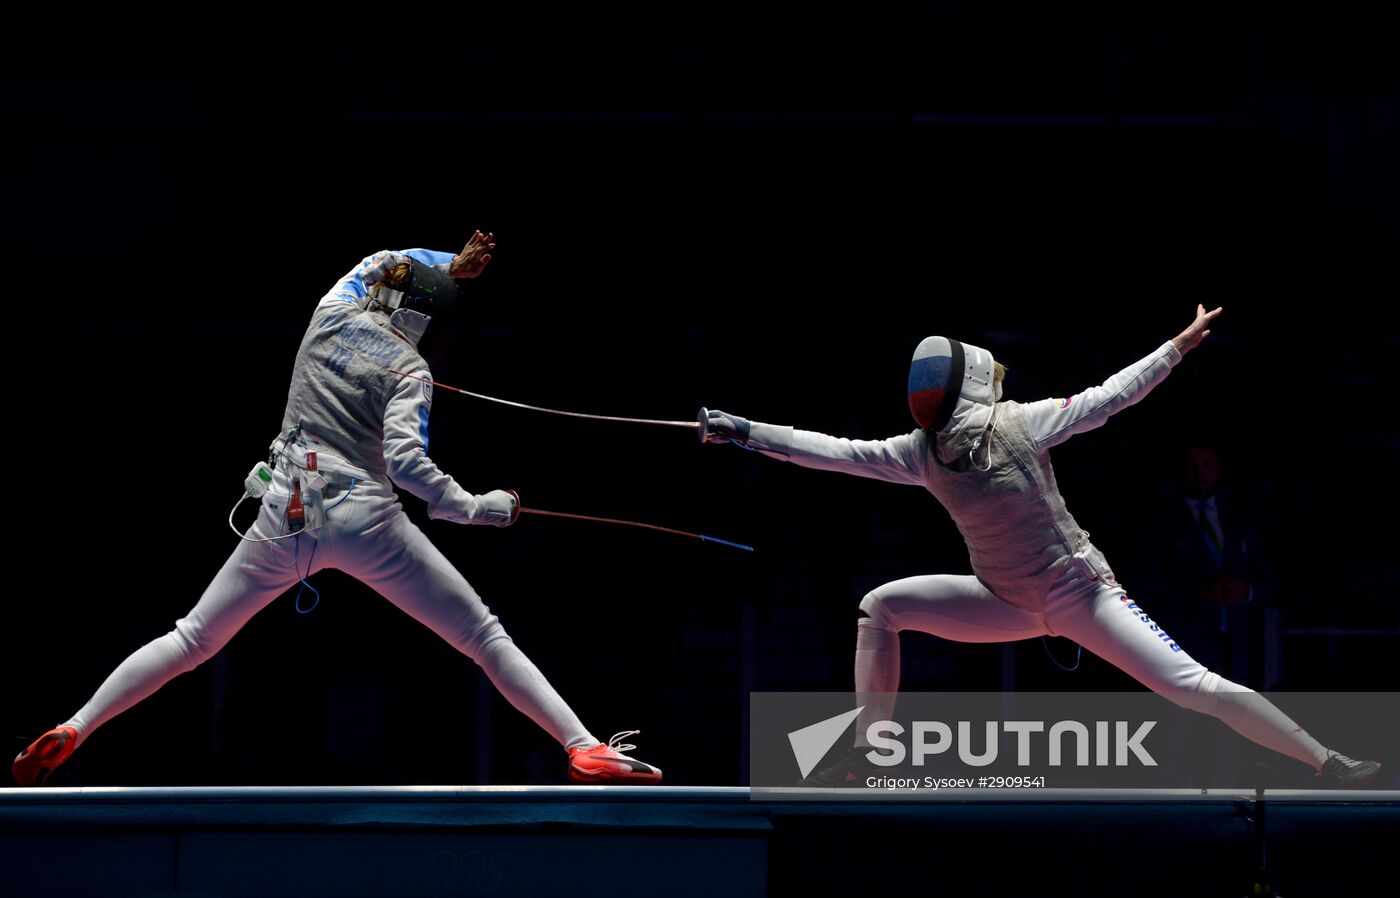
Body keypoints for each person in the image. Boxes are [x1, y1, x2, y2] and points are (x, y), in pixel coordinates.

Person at [13, 232, 661, 787]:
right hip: (365, 522)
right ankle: (583, 746)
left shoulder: (329, 314)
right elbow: (408, 467)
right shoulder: (409, 369)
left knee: (191, 638)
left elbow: (382, 258)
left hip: (286, 513)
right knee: (483, 637)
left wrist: (444, 262)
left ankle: (78, 724)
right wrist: (478, 507)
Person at [702, 306, 1379, 787]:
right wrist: (743, 430)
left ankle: (1325, 760)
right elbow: (830, 452)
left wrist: (743, 430)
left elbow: (1111, 397)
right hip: (1003, 600)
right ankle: (871, 753)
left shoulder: (975, 436)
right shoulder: (939, 447)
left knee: (1191, 685)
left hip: (1079, 594)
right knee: (880, 607)